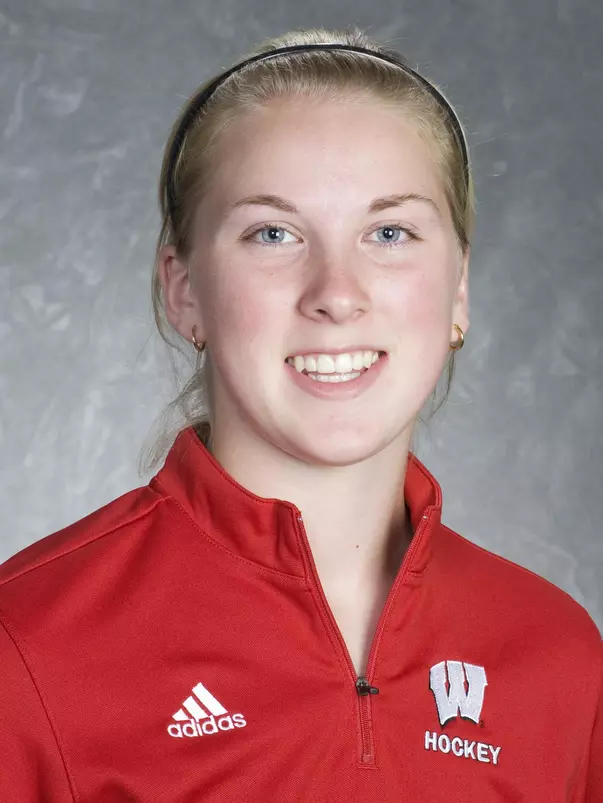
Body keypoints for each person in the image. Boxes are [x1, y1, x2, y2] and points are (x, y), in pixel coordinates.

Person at [0, 25, 600, 803]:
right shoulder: (28, 644)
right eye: (272, 233)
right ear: (185, 289)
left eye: (389, 232)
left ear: (457, 292)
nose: (335, 292)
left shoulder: (558, 652)